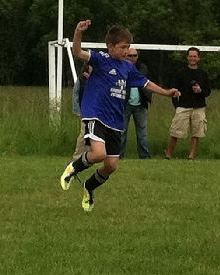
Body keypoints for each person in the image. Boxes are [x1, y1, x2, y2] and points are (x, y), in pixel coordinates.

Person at [60, 21, 180, 211]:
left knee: (111, 165)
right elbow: (77, 52)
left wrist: (166, 93)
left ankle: (88, 187)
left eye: (128, 47)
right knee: (99, 154)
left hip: (115, 121)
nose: (126, 51)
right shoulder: (101, 60)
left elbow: (146, 83)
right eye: (123, 47)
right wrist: (78, 32)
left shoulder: (128, 68)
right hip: (96, 114)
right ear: (111, 46)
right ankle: (72, 168)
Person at [164, 47, 212, 159]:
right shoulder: (180, 73)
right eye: (190, 56)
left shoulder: (203, 74)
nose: (192, 58)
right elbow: (173, 89)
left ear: (198, 58)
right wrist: (176, 104)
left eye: (195, 56)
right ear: (187, 57)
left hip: (198, 107)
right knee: (175, 131)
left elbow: (208, 91)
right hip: (183, 106)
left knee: (196, 133)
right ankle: (168, 154)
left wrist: (200, 91)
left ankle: (191, 156)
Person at [121, 46, 152, 159]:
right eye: (130, 56)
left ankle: (145, 156)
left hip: (140, 103)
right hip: (125, 104)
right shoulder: (121, 66)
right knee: (122, 131)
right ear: (125, 56)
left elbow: (143, 81)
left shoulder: (142, 68)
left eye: (135, 55)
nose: (132, 58)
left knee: (142, 132)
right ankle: (119, 155)